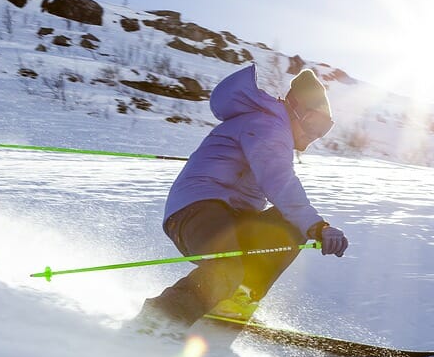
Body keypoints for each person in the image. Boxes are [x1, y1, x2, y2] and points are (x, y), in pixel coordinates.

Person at [133, 63, 348, 337]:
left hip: (230, 215)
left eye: (324, 129)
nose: (313, 137)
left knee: (287, 224)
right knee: (228, 267)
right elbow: (279, 181)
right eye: (314, 124)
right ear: (295, 108)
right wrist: (318, 226)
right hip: (196, 211)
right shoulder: (268, 124)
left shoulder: (270, 126)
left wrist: (309, 225)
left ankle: (230, 309)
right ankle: (156, 322)